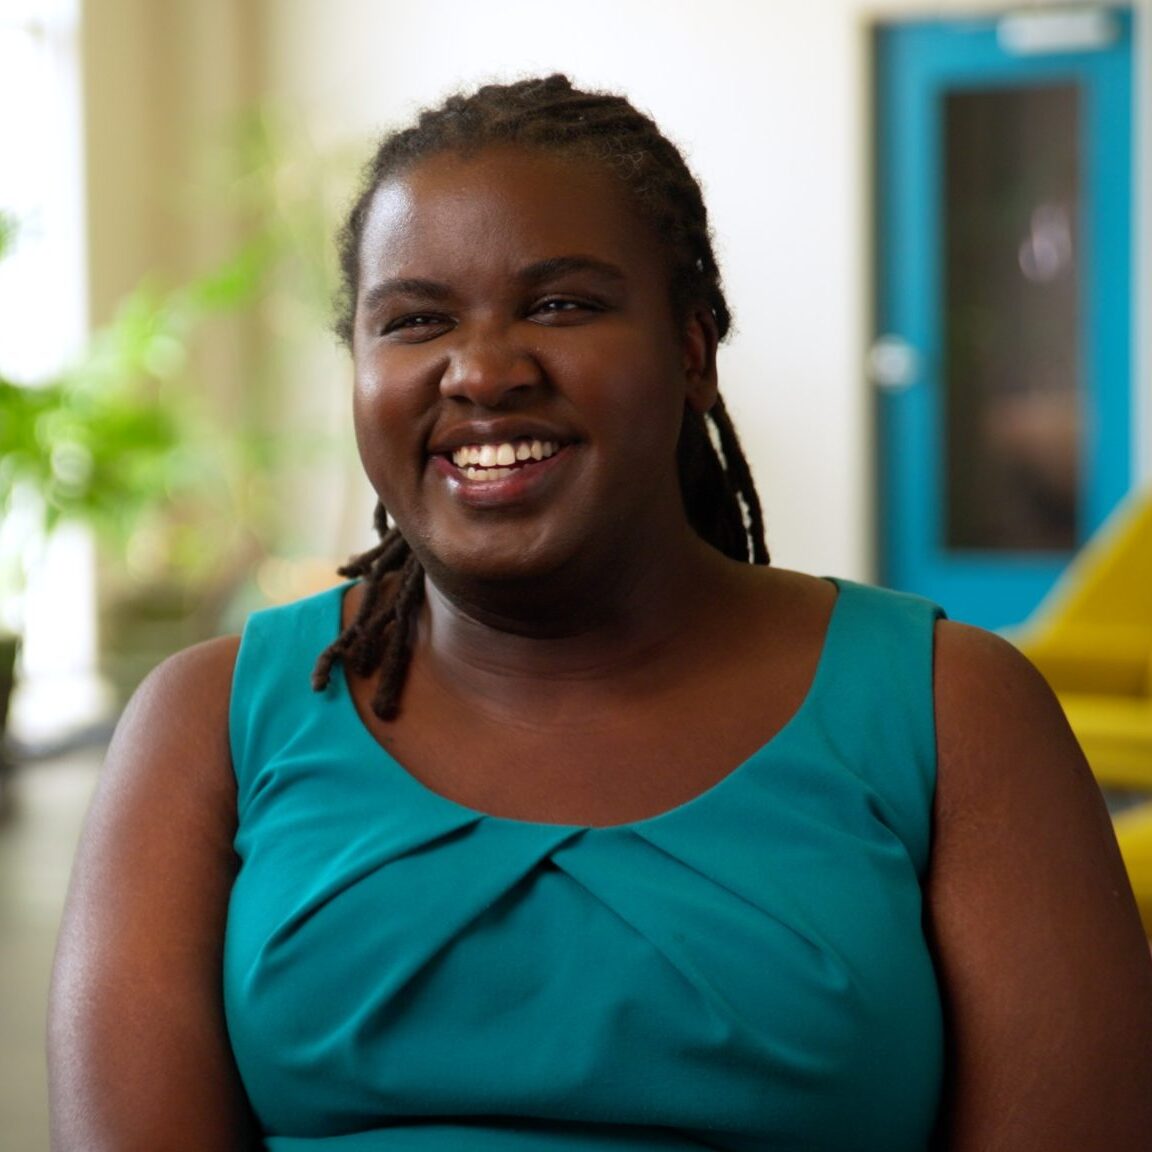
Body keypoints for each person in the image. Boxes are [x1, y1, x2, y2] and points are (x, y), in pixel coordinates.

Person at [48, 75, 1152, 1151]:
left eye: (561, 304)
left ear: (692, 352)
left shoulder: (953, 712)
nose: (481, 371)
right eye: (416, 320)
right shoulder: (210, 722)